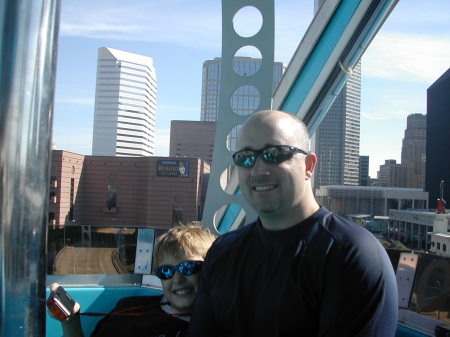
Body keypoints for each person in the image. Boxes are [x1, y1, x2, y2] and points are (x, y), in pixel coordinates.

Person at [190, 110, 398, 337]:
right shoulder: (223, 252)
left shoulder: (350, 255)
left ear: (309, 165)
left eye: (275, 153)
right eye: (246, 158)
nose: (259, 170)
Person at [49, 224, 216, 337]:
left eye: (188, 267)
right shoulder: (128, 306)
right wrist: (70, 320)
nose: (178, 278)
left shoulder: (221, 323)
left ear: (211, 269)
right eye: (166, 271)